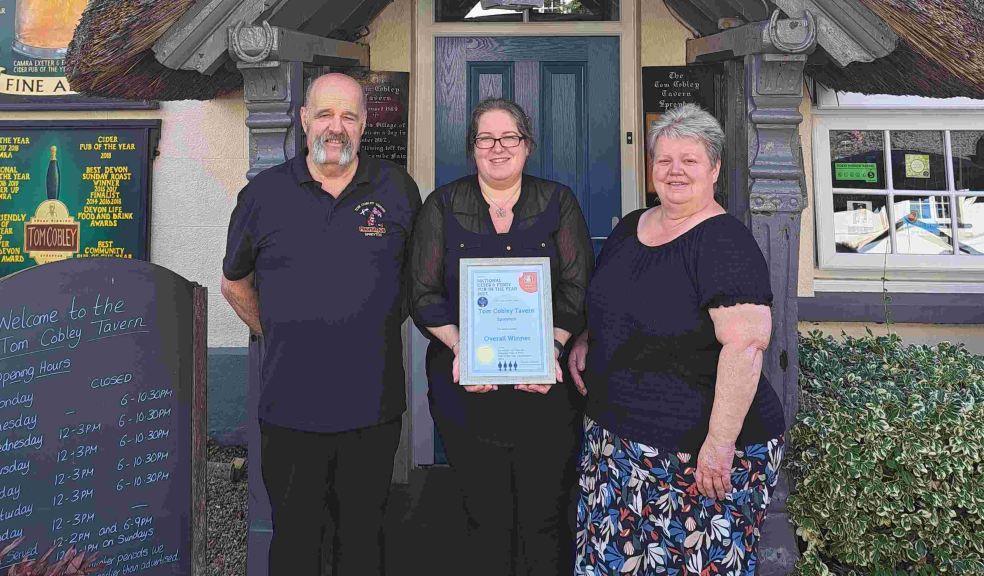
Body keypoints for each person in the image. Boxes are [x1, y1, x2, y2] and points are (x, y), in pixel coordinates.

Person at [568, 103, 786, 575]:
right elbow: (614, 301)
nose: (675, 171)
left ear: (714, 169)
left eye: (689, 160)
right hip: (617, 445)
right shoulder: (631, 227)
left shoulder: (724, 243)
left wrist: (719, 444)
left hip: (694, 454)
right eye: (664, 160)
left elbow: (746, 347)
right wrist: (589, 337)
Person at [220, 72, 421, 576]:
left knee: (363, 538)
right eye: (326, 114)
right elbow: (234, 283)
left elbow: (416, 283)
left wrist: (364, 326)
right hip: (291, 409)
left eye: (349, 116)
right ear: (305, 119)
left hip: (371, 408)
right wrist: (282, 331)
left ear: (365, 124)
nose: (337, 127)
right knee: (296, 540)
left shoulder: (397, 189)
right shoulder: (263, 195)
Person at [409, 97, 593, 575]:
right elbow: (423, 293)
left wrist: (550, 348)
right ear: (472, 148)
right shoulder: (442, 205)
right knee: (482, 515)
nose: (497, 148)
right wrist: (461, 349)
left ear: (526, 145)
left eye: (508, 137)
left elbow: (577, 287)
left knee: (545, 518)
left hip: (546, 390)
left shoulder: (558, 202)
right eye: (485, 138)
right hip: (467, 390)